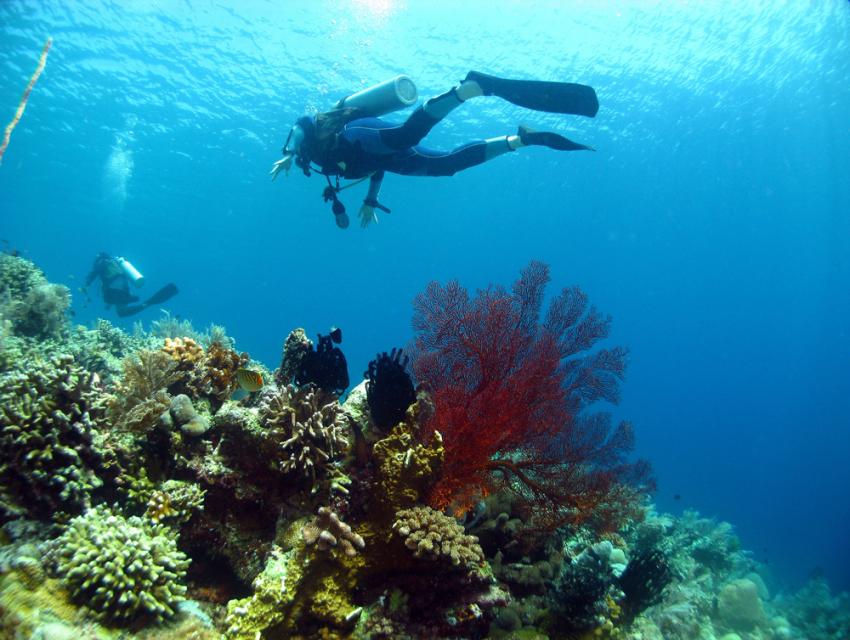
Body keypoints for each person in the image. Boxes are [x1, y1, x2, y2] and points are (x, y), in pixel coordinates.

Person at [270, 71, 599, 229]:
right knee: (446, 166)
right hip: (378, 156)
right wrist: (371, 199)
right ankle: (520, 140)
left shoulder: (312, 139)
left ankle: (466, 90)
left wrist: (288, 151)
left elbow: (301, 124)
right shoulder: (325, 165)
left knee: (404, 136)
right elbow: (373, 166)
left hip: (359, 134)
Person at [84, 253, 178, 317]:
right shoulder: (116, 263)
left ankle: (146, 304)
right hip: (124, 289)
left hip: (115, 290)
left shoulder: (102, 262)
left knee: (121, 313)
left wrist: (88, 282)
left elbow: (94, 274)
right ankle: (146, 303)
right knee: (121, 311)